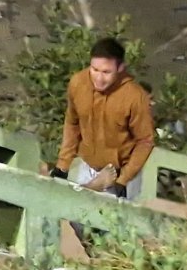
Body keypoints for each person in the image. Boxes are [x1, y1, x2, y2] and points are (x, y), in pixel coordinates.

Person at [51, 38, 155, 200]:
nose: (99, 78)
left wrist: (123, 180)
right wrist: (63, 164)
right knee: (77, 219)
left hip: (121, 173)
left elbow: (145, 141)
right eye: (95, 69)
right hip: (88, 166)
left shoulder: (135, 97)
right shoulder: (78, 83)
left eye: (106, 72)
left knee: (111, 223)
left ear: (120, 68)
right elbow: (72, 123)